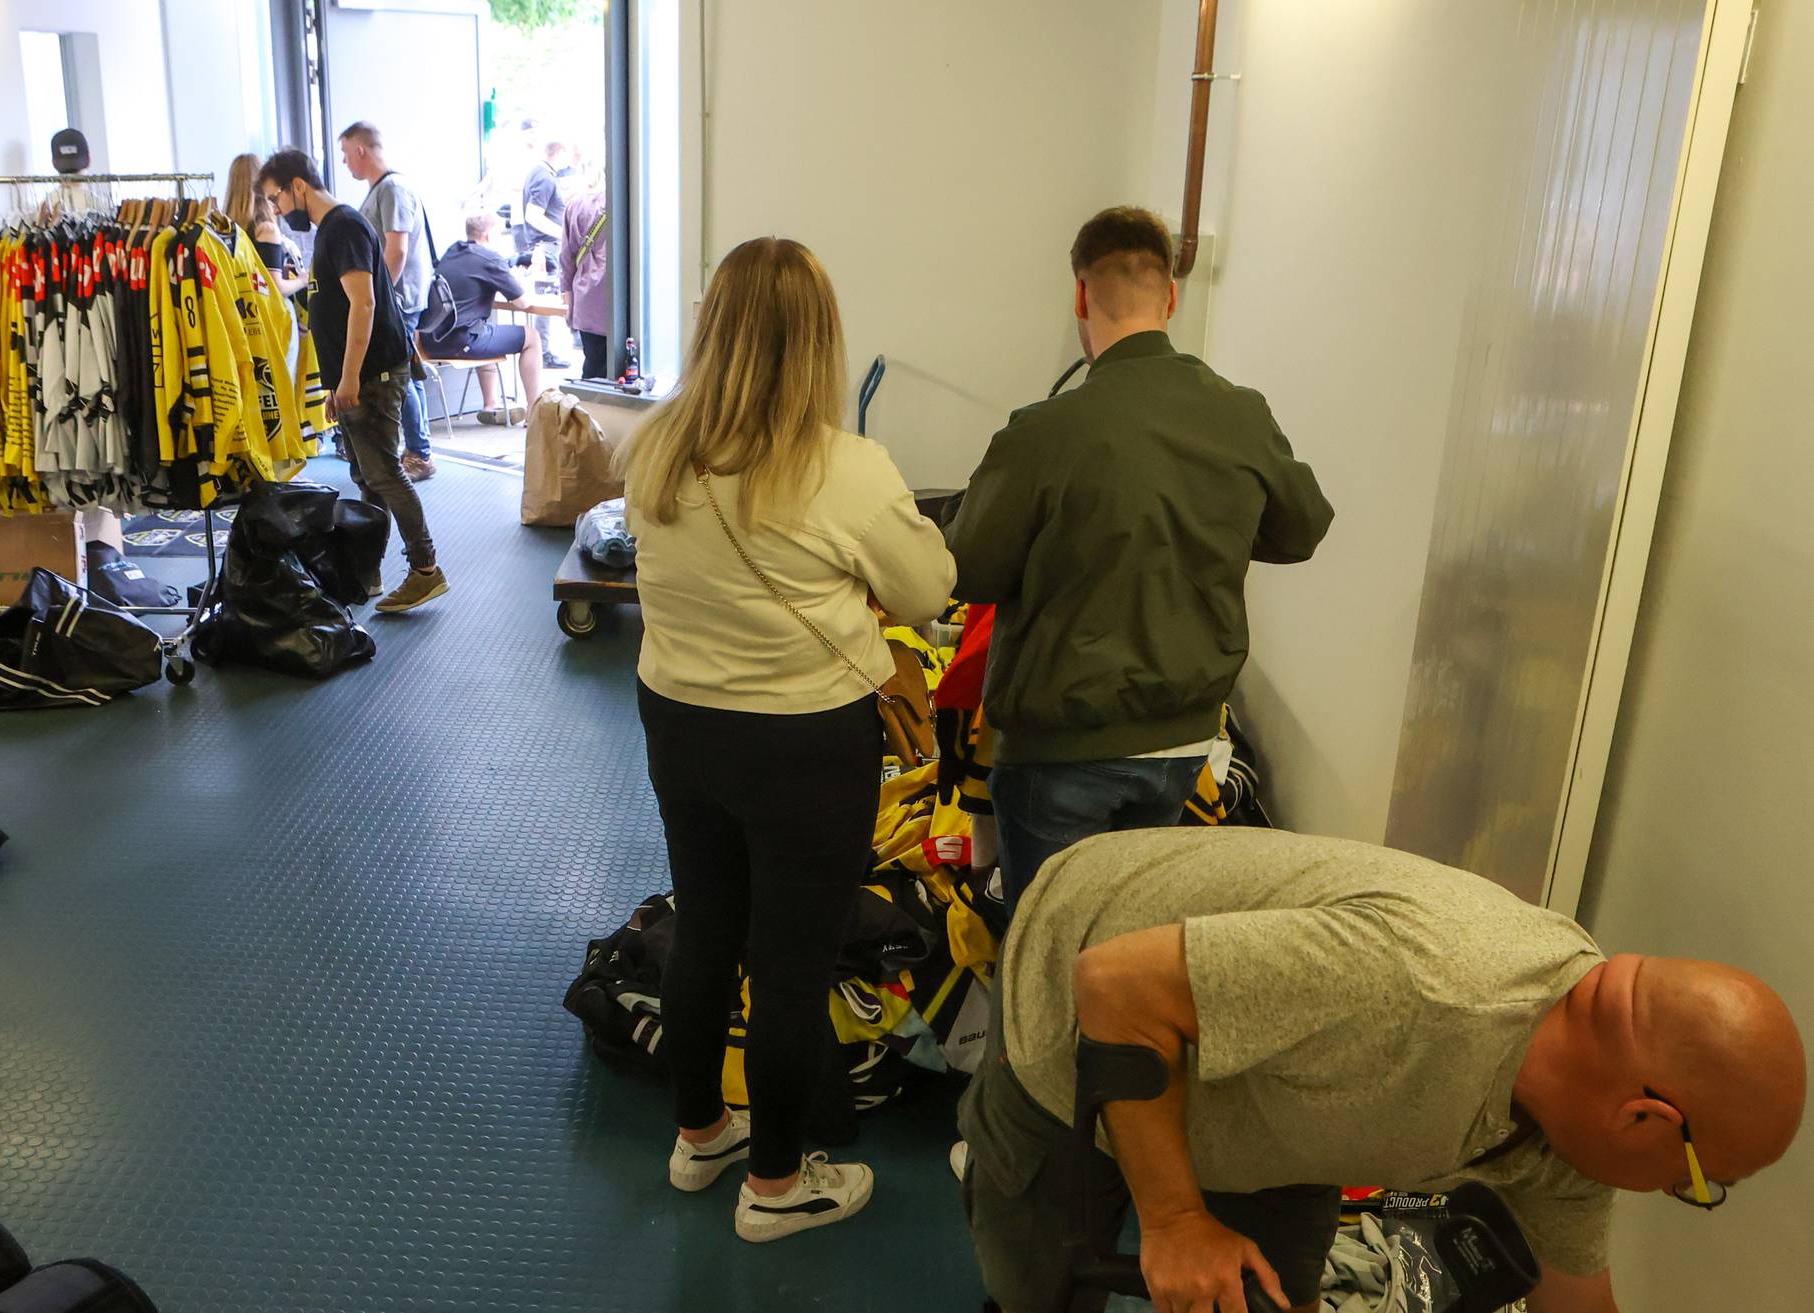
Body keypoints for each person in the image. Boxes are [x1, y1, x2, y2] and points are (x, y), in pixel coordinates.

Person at [959, 826, 1807, 1313]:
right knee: (1039, 1284)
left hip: (1279, 1088)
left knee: (1271, 1299)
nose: (1676, 1190)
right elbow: (1114, 985)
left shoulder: (1575, 1135)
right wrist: (1176, 1220)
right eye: (1695, 1182)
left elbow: (1577, 1300)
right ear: (1647, 1119)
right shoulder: (1421, 984)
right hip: (1084, 992)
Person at [624, 237, 957, 1243]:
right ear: (818, 341)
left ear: (715, 328)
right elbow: (928, 592)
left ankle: (700, 1136)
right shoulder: (846, 468)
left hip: (679, 721)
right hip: (805, 743)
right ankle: (776, 1186)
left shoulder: (654, 446)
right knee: (792, 965)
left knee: (705, 928)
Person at [944, 206, 1333, 912]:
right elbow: (1301, 528)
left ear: (1080, 295)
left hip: (1058, 750)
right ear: (1171, 297)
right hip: (1180, 743)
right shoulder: (1242, 415)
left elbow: (969, 568)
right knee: (1125, 937)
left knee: (1048, 949)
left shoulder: (1042, 431)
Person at [259, 148, 447, 614]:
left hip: (372, 373)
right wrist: (336, 384)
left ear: (298, 186)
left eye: (276, 198)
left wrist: (347, 380)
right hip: (359, 375)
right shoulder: (332, 229)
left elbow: (363, 304)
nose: (277, 211)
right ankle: (368, 569)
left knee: (383, 473)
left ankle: (426, 569)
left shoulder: (343, 227)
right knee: (367, 476)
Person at [337, 121, 437, 482]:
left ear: (361, 150)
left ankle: (419, 453)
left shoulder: (392, 188)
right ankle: (417, 448)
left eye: (346, 153)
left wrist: (378, 299)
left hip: (399, 299)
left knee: (402, 375)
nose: (345, 162)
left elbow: (397, 249)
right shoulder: (382, 189)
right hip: (395, 297)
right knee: (406, 373)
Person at [420, 213, 542, 426]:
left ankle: (490, 405)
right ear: (489, 235)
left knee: (486, 329)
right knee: (532, 337)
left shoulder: (452, 251)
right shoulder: (489, 259)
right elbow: (522, 302)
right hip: (461, 342)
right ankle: (534, 410)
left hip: (430, 341)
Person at [517, 140, 571, 370]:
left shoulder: (537, 173)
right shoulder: (545, 177)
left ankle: (543, 351)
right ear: (559, 152)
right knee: (546, 302)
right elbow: (533, 215)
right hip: (547, 246)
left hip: (542, 245)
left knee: (545, 300)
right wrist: (563, 233)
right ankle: (544, 352)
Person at [222, 154, 305, 297]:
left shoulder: (223, 229)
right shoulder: (266, 230)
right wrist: (303, 280)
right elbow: (275, 288)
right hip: (263, 309)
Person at [558, 172, 610, 380]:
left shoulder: (577, 205)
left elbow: (566, 258)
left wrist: (568, 296)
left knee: (593, 363)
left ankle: (588, 400)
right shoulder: (635, 204)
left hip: (587, 299)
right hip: (627, 301)